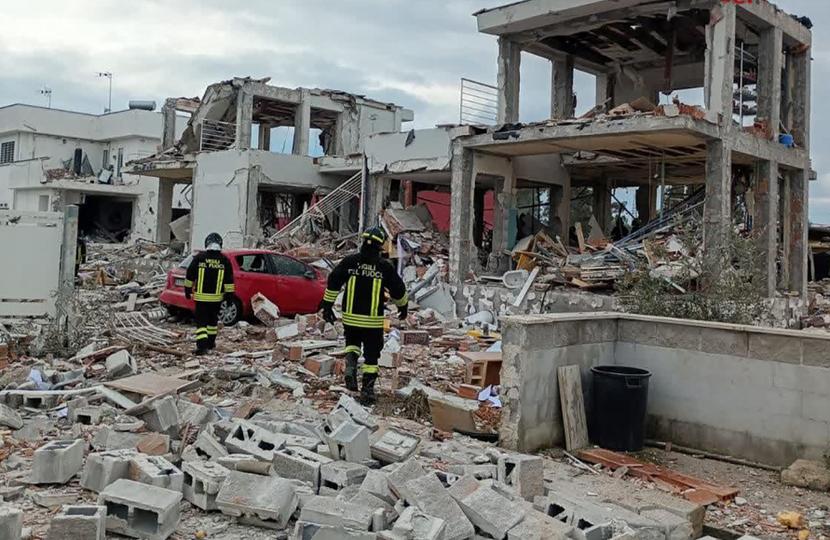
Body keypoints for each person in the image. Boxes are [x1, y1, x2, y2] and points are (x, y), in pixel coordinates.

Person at [319, 226, 408, 404]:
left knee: (352, 344)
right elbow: (398, 289)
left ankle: (351, 368)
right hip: (372, 321)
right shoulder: (384, 266)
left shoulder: (350, 262)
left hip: (350, 318)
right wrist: (403, 307)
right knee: (371, 356)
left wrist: (327, 306)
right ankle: (367, 392)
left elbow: (334, 281)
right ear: (380, 245)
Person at [184, 233, 235, 355]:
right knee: (212, 322)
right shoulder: (224, 260)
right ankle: (211, 343)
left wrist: (187, 290)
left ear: (207, 243)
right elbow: (229, 281)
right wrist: (229, 297)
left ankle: (202, 347)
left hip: (201, 299)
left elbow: (190, 275)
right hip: (216, 299)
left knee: (201, 323)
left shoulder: (199, 258)